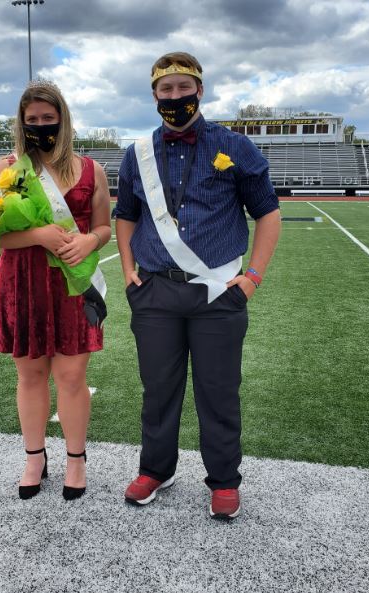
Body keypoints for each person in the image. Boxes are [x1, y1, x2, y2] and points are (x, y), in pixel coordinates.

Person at [115, 52, 281, 520]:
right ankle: (156, 469)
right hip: (156, 293)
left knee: (218, 391)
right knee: (158, 389)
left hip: (217, 293)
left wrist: (251, 278)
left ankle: (224, 480)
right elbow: (125, 215)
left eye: (183, 87)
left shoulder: (235, 145)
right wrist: (128, 271)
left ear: (200, 90)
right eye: (165, 90)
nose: (175, 96)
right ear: (154, 95)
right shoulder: (138, 153)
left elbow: (268, 213)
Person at [0, 79, 111, 501]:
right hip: (22, 283)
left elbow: (105, 226)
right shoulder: (7, 169)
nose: (39, 125)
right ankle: (34, 457)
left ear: (63, 120)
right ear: (21, 123)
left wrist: (90, 240)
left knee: (72, 377)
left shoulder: (92, 170)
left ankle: (76, 459)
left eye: (47, 118)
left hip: (73, 287)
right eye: (31, 119)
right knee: (31, 374)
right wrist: (38, 235)